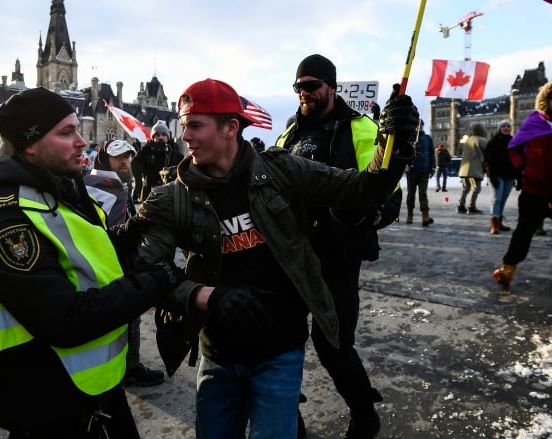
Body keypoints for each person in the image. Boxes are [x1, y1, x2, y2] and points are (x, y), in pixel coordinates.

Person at [136, 77, 418, 439]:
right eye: (184, 125)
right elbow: (148, 271)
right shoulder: (170, 198)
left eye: (194, 125)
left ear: (230, 127)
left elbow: (362, 189)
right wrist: (206, 296)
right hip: (217, 355)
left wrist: (394, 145)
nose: (184, 136)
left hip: (279, 353)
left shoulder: (283, 171)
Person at [0, 87, 184, 437]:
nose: (82, 142)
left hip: (92, 394)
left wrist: (136, 227)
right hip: (47, 405)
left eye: (78, 130)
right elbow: (65, 318)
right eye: (66, 133)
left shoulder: (52, 192)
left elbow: (83, 253)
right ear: (30, 143)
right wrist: (157, 280)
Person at [274, 55, 410, 438]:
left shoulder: (360, 127)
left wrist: (371, 213)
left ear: (332, 86)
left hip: (338, 256)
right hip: (293, 255)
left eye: (313, 85)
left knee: (333, 343)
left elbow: (386, 189)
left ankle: (365, 416)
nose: (305, 93)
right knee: (283, 340)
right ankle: (289, 421)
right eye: (299, 86)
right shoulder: (289, 134)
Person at [84, 139, 165, 387]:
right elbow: (97, 230)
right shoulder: (96, 185)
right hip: (109, 262)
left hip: (122, 259)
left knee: (130, 316)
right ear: (104, 159)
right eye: (119, 157)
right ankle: (124, 369)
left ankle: (128, 366)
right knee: (123, 316)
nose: (125, 162)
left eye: (127, 157)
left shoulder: (114, 184)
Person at [493, 80, 552, 289]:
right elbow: (514, 148)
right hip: (534, 190)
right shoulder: (534, 121)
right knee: (523, 233)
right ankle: (507, 270)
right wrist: (524, 168)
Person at [131, 120, 184, 203]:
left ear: (168, 137)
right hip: (149, 195)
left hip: (170, 196)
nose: (161, 137)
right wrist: (144, 151)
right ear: (153, 137)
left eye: (163, 135)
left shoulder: (175, 153)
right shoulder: (147, 151)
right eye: (157, 135)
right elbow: (135, 165)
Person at [484, 119, 518, 234]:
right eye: (503, 126)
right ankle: (494, 225)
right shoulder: (493, 142)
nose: (506, 128)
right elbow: (487, 160)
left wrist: (517, 175)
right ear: (499, 128)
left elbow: (516, 159)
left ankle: (499, 222)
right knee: (496, 199)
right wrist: (491, 175)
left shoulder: (514, 141)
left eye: (508, 126)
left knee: (503, 199)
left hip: (509, 175)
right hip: (497, 175)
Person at [404, 120, 436, 226]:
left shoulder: (427, 138)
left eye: (421, 125)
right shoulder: (409, 138)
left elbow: (432, 153)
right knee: (411, 194)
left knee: (423, 194)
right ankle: (410, 215)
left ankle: (425, 216)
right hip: (412, 170)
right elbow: (405, 153)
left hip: (424, 171)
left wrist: (432, 167)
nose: (419, 127)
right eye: (417, 125)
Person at [456, 124, 487, 214]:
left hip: (464, 169)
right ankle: (471, 206)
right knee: (476, 188)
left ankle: (460, 206)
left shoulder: (468, 140)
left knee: (466, 188)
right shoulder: (482, 140)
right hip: (475, 169)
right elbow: (488, 153)